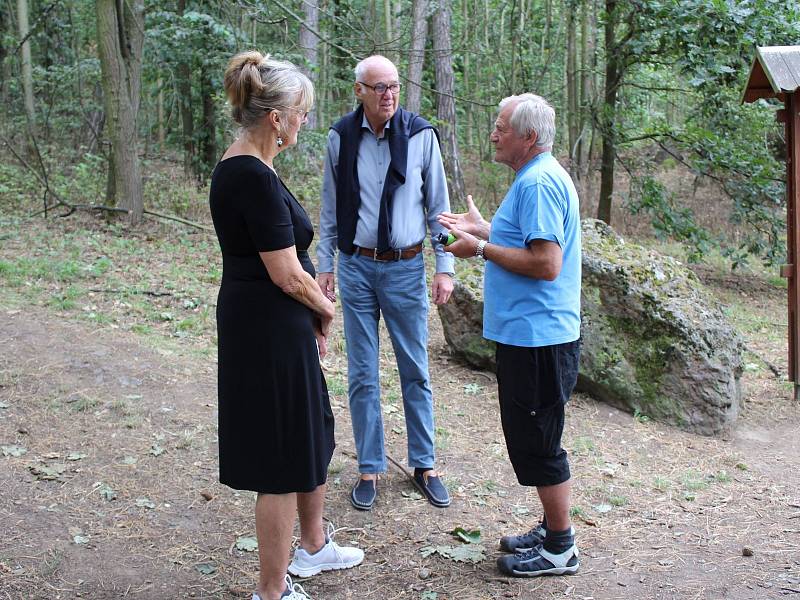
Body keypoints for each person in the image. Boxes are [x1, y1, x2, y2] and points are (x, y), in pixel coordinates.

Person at [209, 51, 363, 600]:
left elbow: (290, 270)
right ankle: (272, 591)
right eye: (301, 113)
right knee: (278, 456)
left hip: (278, 325)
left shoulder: (257, 168)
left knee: (310, 432)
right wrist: (324, 309)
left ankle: (314, 548)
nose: (305, 122)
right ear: (276, 117)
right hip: (265, 330)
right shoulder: (248, 174)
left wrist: (312, 311)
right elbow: (285, 272)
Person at [438, 93, 582, 577]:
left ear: (529, 137)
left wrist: (479, 246)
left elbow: (546, 262)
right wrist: (489, 228)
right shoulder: (533, 177)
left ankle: (560, 547)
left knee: (540, 441)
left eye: (502, 127)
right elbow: (526, 239)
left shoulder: (539, 182)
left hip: (539, 337)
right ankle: (551, 528)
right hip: (529, 335)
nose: (494, 134)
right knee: (533, 435)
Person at [316, 55, 454, 510]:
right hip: (356, 267)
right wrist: (326, 265)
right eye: (378, 87)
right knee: (362, 373)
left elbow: (439, 207)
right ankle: (370, 468)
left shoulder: (420, 136)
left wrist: (444, 265)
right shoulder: (341, 137)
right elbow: (332, 207)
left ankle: (424, 463)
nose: (388, 95)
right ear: (359, 91)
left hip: (405, 267)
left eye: (393, 86)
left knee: (414, 368)